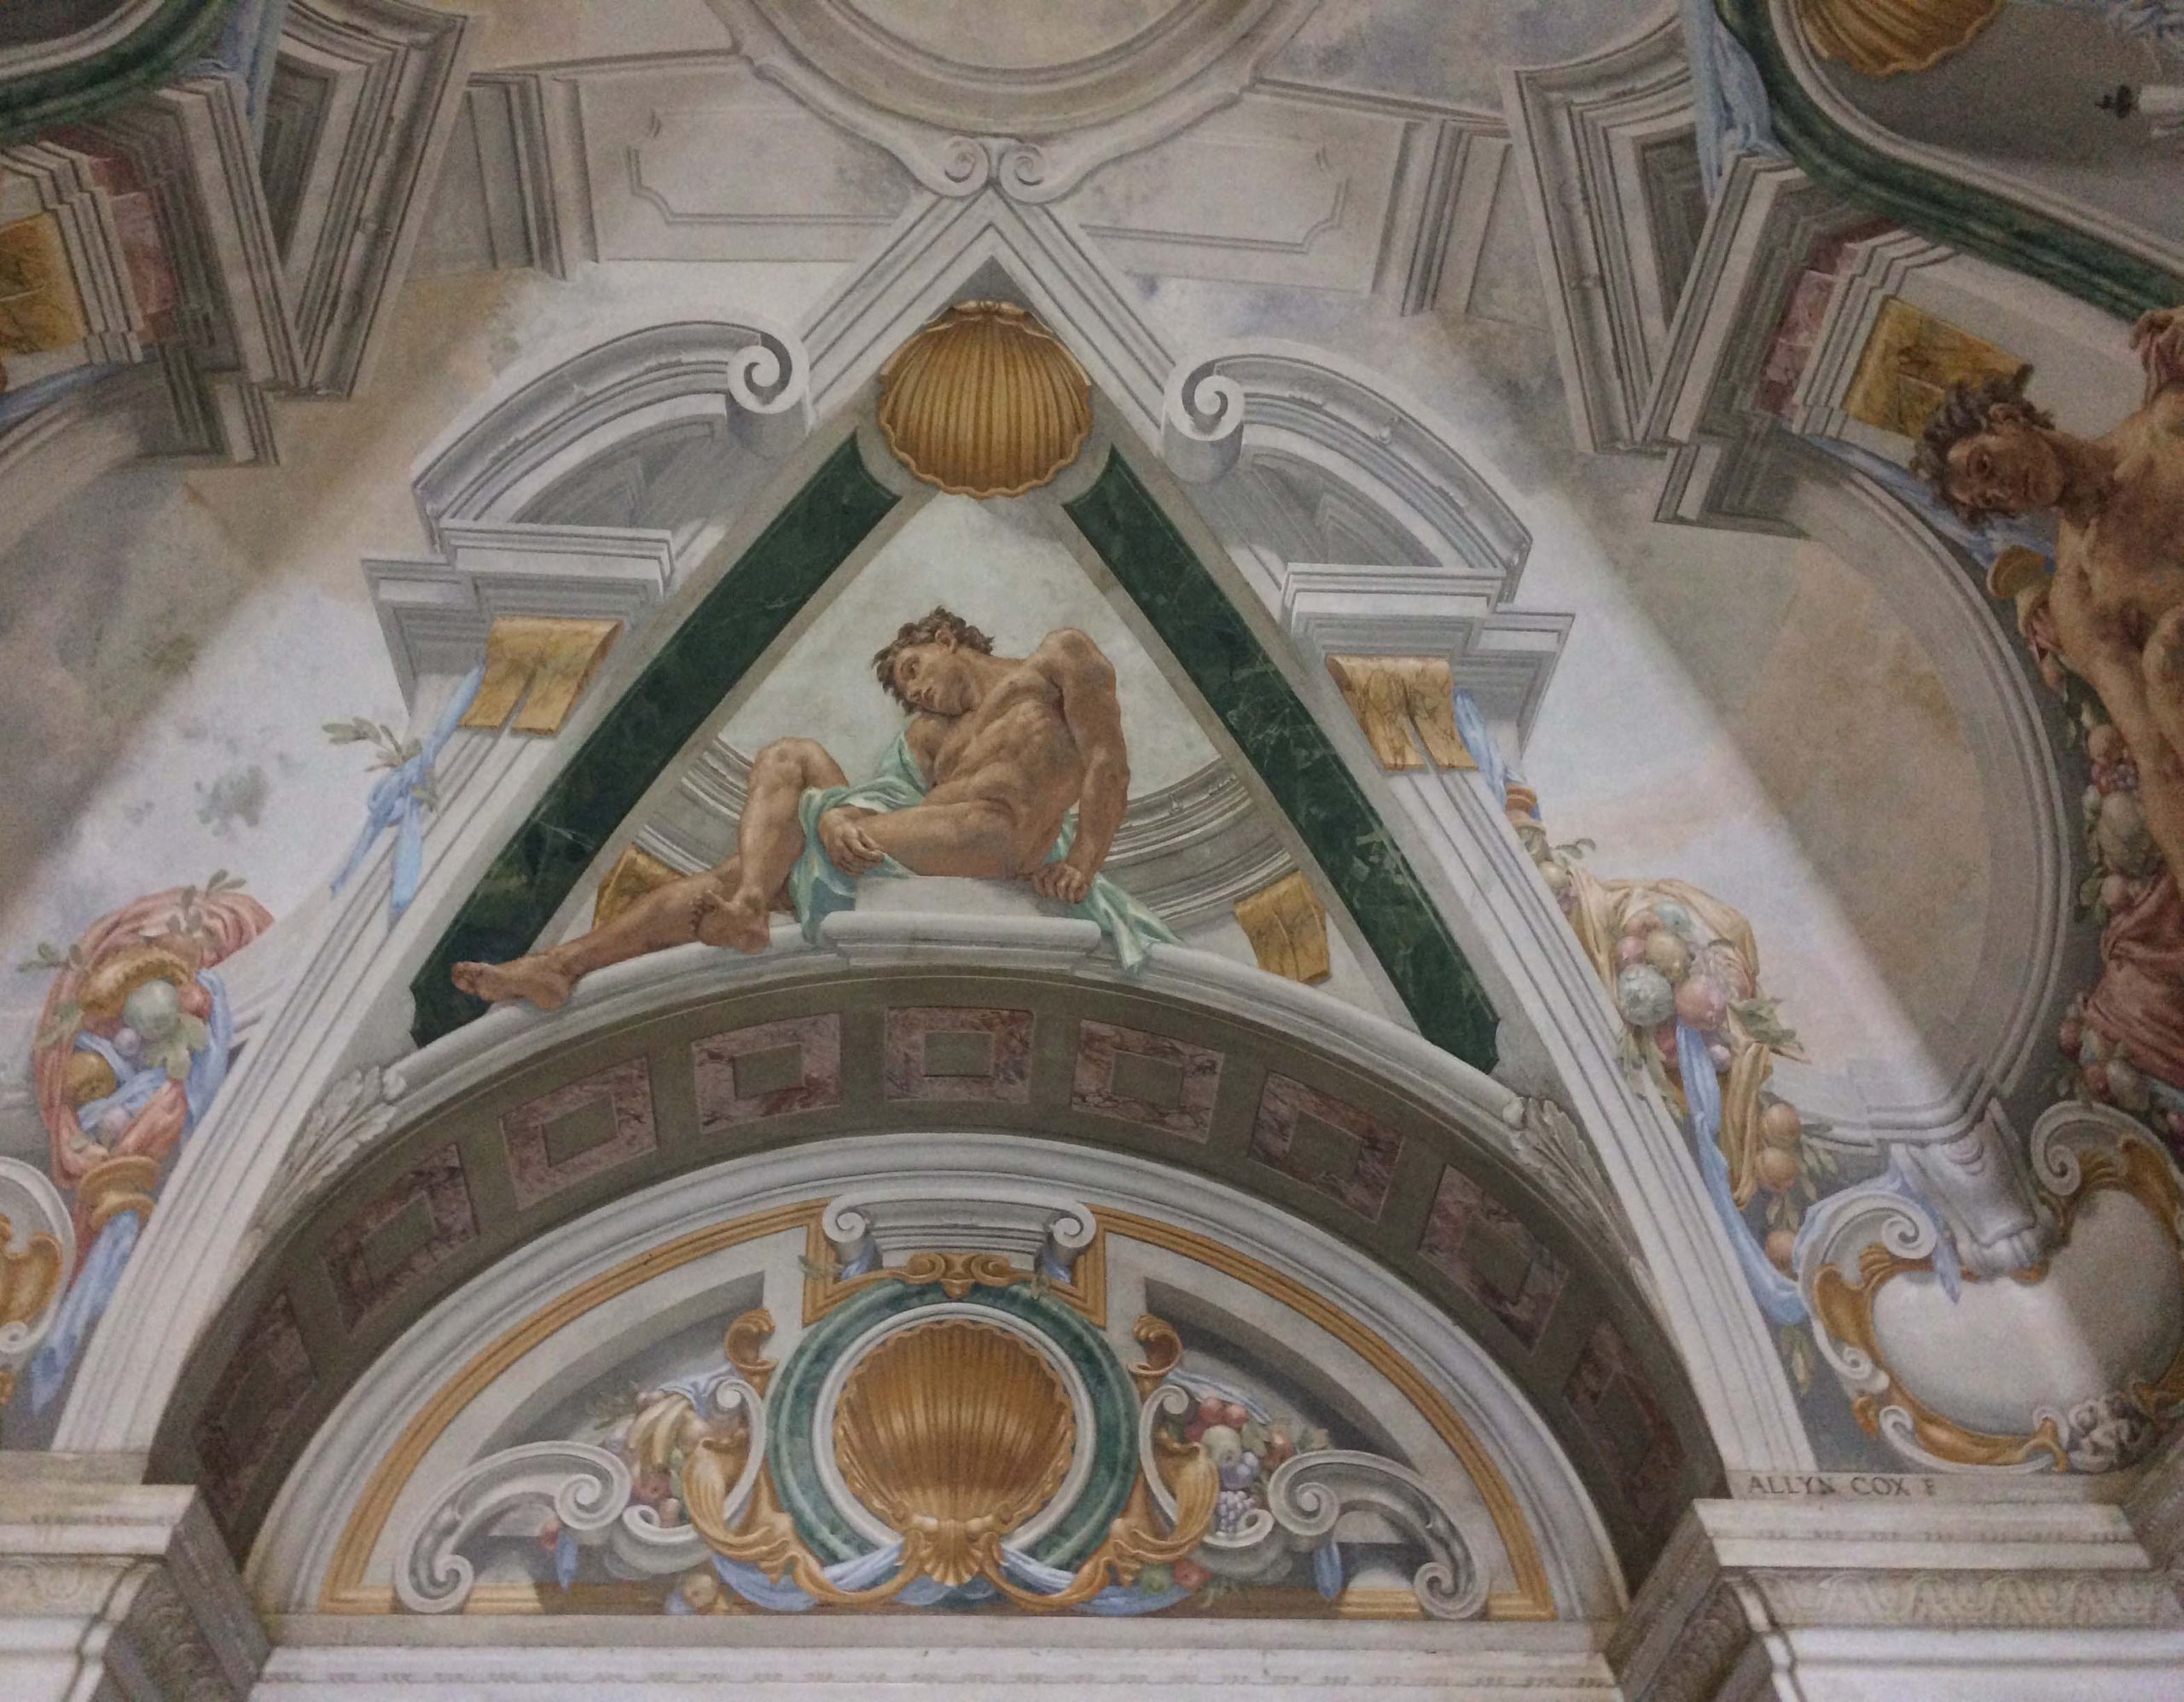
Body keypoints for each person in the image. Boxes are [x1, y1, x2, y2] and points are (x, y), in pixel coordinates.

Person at [451, 607, 1172, 1010]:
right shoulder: (930, 738)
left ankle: (743, 901)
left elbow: (1107, 760)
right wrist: (828, 817)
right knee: (785, 762)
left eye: (915, 668)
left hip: (997, 835)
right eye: (906, 690)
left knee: (811, 820)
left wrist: (1084, 862)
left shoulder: (1055, 660)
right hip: (928, 840)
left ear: (946, 637)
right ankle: (567, 962)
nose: (917, 692)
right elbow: (885, 805)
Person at [1916, 307, 2184, 875]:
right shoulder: (2081, 595)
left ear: (2007, 417)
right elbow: (2158, 762)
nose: (2003, 491)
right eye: (1989, 502)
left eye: (1985, 466)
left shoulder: (2167, 425)